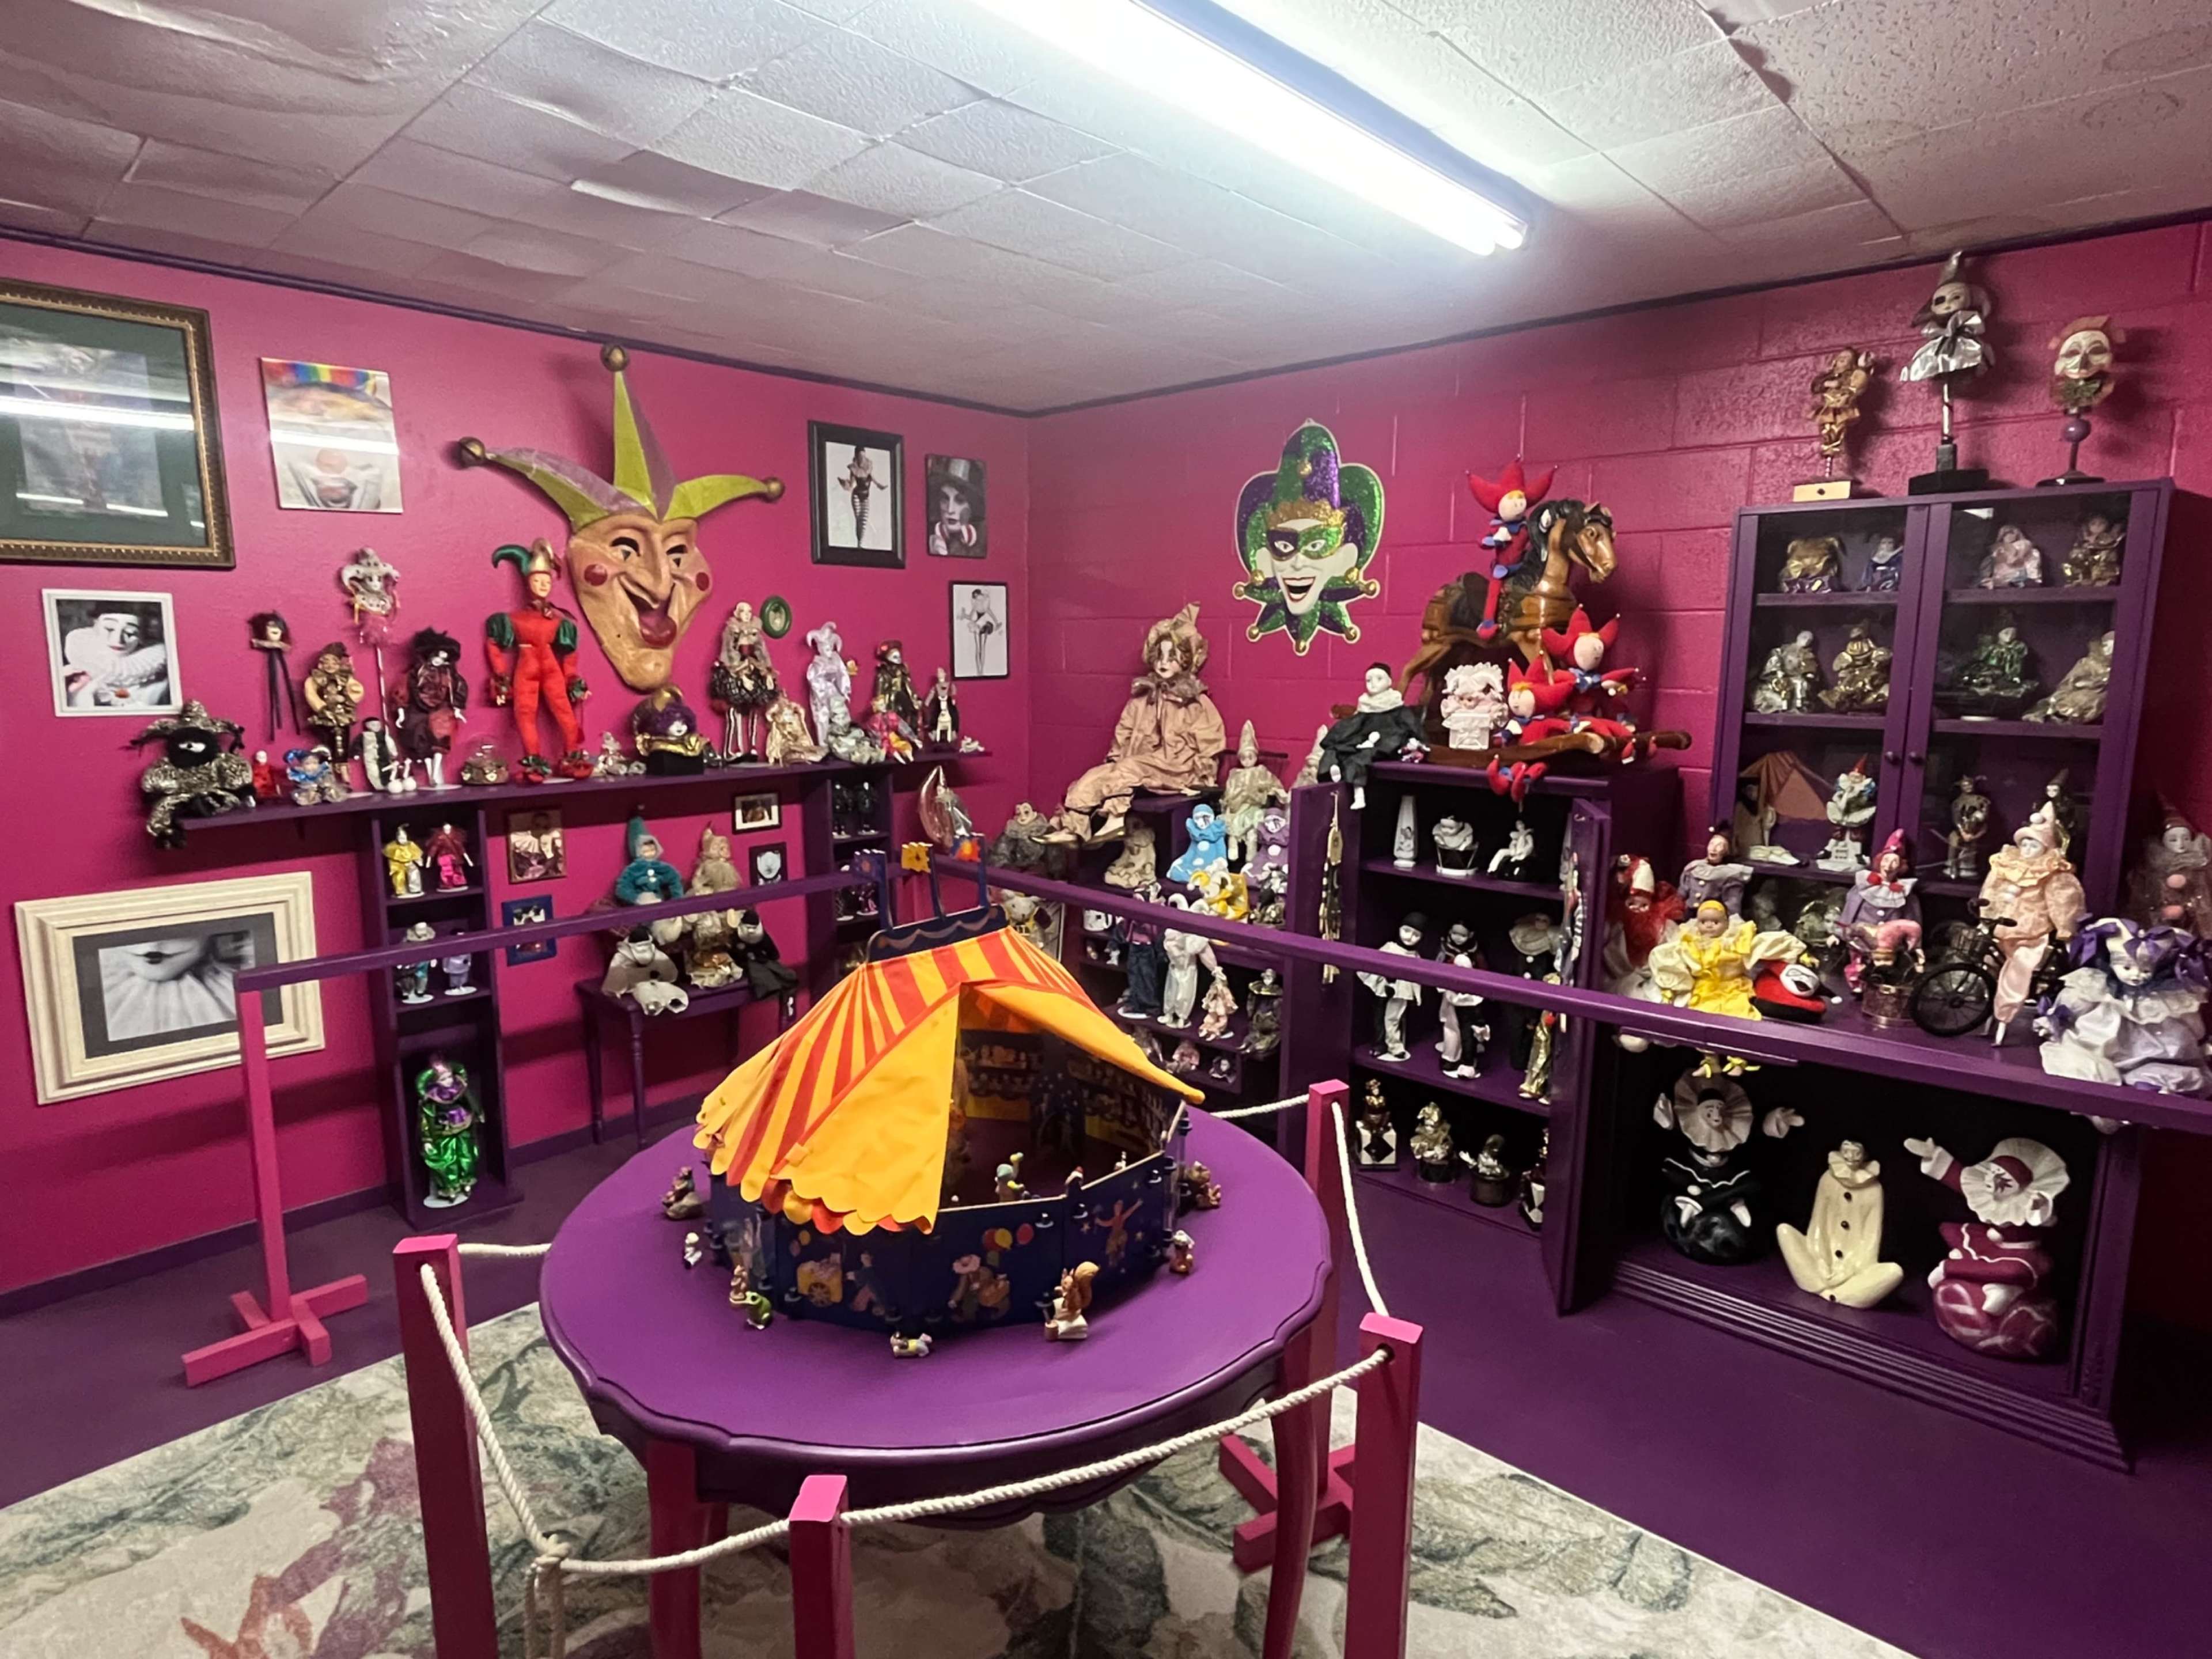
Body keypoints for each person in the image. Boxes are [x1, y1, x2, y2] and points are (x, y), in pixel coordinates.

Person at [1058, 605, 1225, 839]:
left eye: (1172, 657)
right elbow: (1124, 733)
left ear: (1185, 661)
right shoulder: (1142, 700)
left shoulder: (1194, 702)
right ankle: (1074, 828)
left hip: (1177, 769)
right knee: (1094, 777)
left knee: (1129, 768)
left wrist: (1203, 777)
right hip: (1141, 764)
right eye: (1160, 656)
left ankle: (1115, 818)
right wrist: (1114, 759)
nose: (1163, 663)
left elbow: (1210, 741)